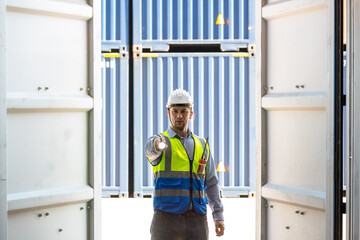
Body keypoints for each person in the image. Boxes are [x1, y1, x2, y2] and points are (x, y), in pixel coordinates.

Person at [145, 89, 225, 240]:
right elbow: (150, 150)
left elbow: (211, 183)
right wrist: (156, 145)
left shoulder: (202, 144)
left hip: (197, 219)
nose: (179, 116)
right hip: (165, 219)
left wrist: (218, 215)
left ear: (191, 114)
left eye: (184, 111)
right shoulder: (160, 140)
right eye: (175, 111)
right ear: (168, 113)